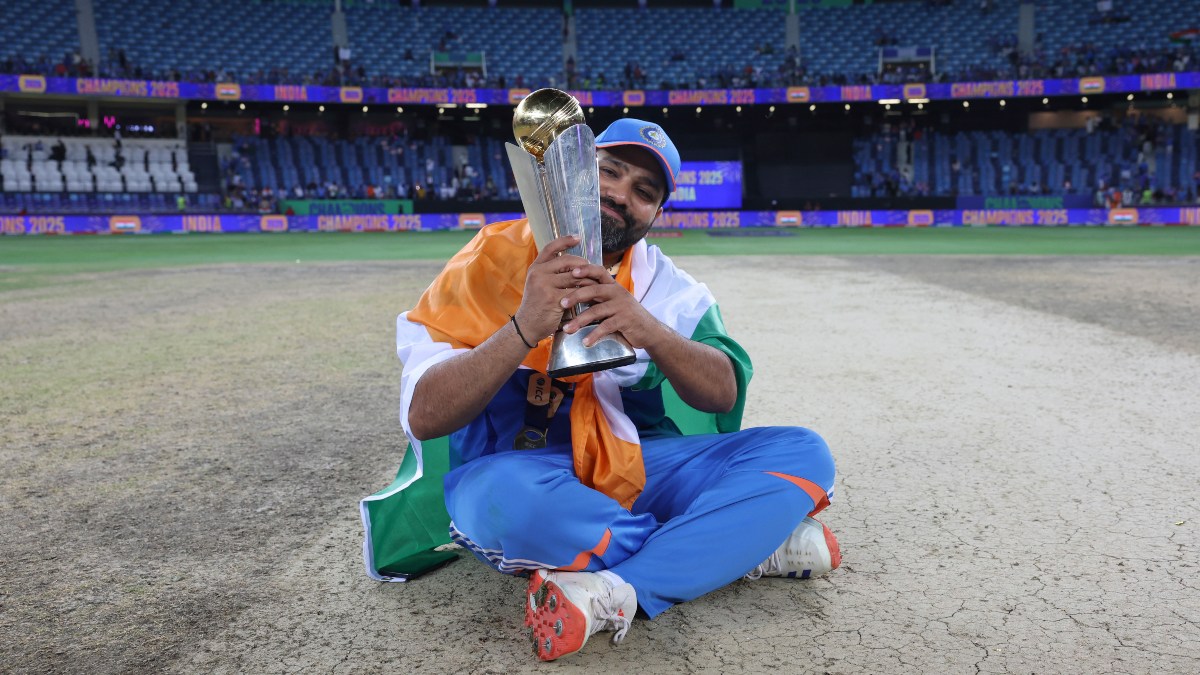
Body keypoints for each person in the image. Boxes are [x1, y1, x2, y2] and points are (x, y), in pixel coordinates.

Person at [359, 119, 839, 662]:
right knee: (505, 504)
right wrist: (522, 328)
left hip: (636, 466)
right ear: (575, 174)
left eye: (644, 192)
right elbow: (426, 415)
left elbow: (723, 391)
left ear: (656, 215)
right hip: (524, 475)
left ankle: (617, 587)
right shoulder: (483, 263)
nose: (619, 195)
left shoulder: (667, 288)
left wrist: (649, 330)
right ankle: (743, 544)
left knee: (802, 452)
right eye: (609, 172)